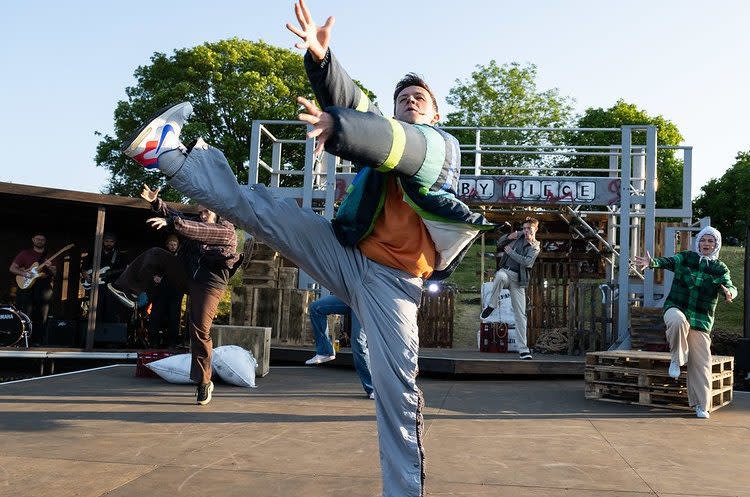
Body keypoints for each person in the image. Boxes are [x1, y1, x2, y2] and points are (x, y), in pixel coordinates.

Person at [118, 1, 492, 493]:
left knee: (397, 393)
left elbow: (392, 143)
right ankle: (166, 154)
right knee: (262, 207)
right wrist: (322, 60)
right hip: (347, 255)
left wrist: (340, 129)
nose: (411, 100)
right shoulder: (381, 126)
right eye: (403, 97)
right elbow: (360, 109)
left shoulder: (441, 147)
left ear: (437, 112)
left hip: (394, 286)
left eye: (420, 96)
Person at [107, 185, 239, 405]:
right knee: (155, 254)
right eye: (200, 213)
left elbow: (198, 230)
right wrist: (156, 204)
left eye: (206, 212)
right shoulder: (194, 222)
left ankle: (204, 381)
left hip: (209, 284)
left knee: (198, 329)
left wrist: (173, 223)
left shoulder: (226, 231)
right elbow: (176, 215)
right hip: (187, 276)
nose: (202, 215)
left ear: (216, 213)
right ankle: (129, 290)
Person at [634, 225, 737, 419]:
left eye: (711, 241)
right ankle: (676, 359)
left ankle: (701, 405)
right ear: (698, 242)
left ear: (716, 245)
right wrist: (652, 262)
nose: (706, 244)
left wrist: (729, 292)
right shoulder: (687, 258)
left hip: (700, 320)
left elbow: (730, 284)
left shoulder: (719, 268)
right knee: (678, 320)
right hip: (676, 307)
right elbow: (669, 261)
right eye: (704, 240)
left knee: (701, 363)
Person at [480, 217, 541, 360]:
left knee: (521, 315)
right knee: (499, 277)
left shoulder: (535, 246)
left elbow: (527, 262)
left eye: (529, 229)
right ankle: (492, 305)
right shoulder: (518, 235)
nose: (526, 231)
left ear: (535, 229)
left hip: (518, 280)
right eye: (524, 228)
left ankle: (523, 350)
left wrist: (511, 252)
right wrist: (508, 236)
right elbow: (500, 243)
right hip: (506, 272)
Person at [305, 293, 374, 399]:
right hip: (350, 294)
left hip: (367, 300)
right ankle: (325, 351)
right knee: (316, 307)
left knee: (358, 342)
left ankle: (373, 388)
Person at [9, 233, 55, 344]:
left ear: (45, 241)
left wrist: (50, 267)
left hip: (43, 285)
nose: (40, 241)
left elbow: (55, 273)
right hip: (26, 286)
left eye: (42, 239)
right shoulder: (25, 253)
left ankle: (38, 341)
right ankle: (22, 339)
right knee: (24, 312)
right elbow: (12, 268)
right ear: (33, 240)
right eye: (38, 239)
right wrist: (24, 274)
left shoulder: (50, 255)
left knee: (42, 314)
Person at [81, 232, 128, 324]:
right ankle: (95, 333)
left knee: (110, 311)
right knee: (95, 311)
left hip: (112, 287)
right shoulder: (94, 252)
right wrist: (85, 275)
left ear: (114, 243)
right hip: (95, 287)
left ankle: (108, 334)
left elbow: (123, 271)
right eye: (107, 241)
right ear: (103, 241)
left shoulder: (118, 255)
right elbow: (83, 267)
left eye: (111, 242)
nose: (109, 243)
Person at [148, 234, 185, 348]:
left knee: (174, 317)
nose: (173, 246)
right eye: (171, 244)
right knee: (156, 315)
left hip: (175, 292)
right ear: (167, 245)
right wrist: (155, 276)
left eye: (175, 245)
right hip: (161, 292)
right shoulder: (160, 256)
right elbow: (153, 268)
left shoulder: (181, 257)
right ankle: (153, 341)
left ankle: (172, 342)